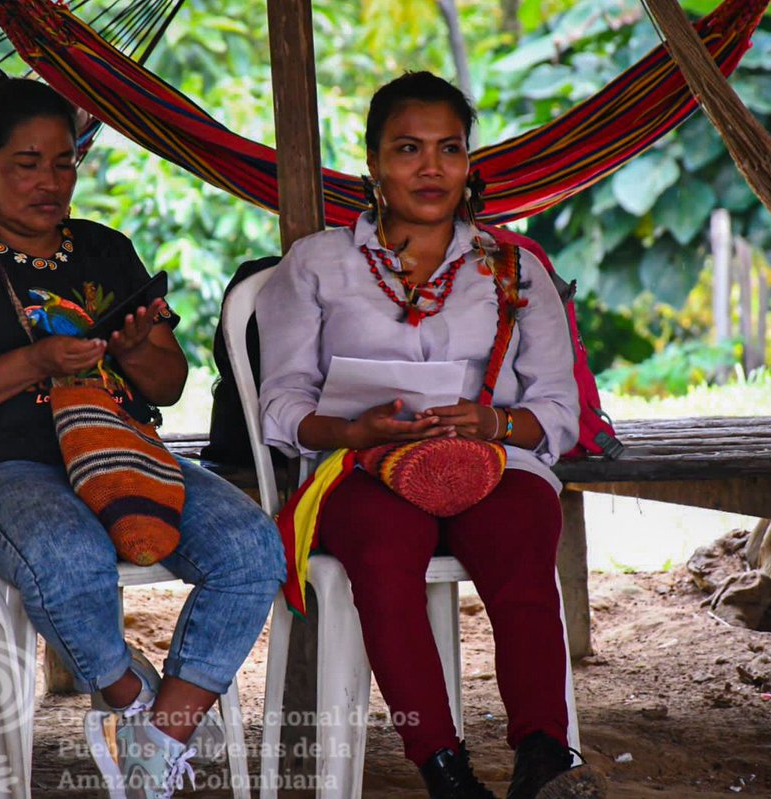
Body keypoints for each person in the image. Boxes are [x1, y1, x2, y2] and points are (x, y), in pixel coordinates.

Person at [0, 75, 285, 798]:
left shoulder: (105, 250)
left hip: (120, 457)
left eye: (63, 162)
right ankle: (131, 700)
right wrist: (35, 361)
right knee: (70, 553)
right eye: (25, 164)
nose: (49, 181)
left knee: (252, 547)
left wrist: (133, 350)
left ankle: (161, 734)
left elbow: (166, 384)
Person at [256, 72, 606, 799]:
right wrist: (355, 428)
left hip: (491, 461)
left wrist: (494, 423)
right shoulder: (315, 265)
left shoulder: (515, 268)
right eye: (408, 149)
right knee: (382, 552)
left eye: (450, 149)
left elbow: (558, 408)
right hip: (360, 467)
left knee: (525, 523)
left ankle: (543, 755)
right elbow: (282, 408)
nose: (431, 167)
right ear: (374, 163)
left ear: (469, 163)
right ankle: (443, 766)